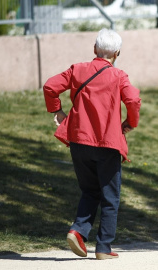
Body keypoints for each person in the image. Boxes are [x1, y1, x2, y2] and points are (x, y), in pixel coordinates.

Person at [43, 28, 141, 260]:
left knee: (89, 190)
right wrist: (130, 123)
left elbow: (50, 86)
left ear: (95, 48)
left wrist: (57, 109)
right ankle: (104, 248)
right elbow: (134, 99)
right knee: (110, 196)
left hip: (78, 141)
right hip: (107, 144)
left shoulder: (78, 70)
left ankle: (77, 230)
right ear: (117, 53)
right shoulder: (119, 76)